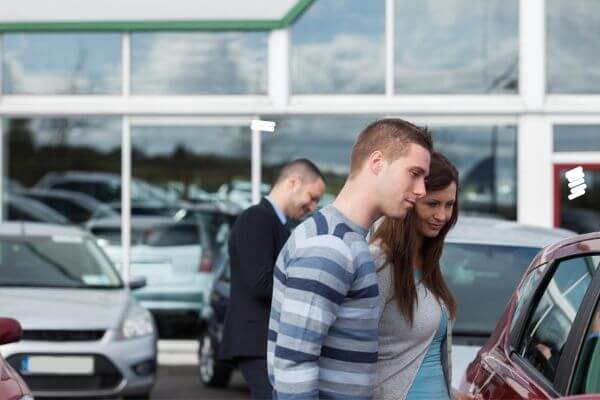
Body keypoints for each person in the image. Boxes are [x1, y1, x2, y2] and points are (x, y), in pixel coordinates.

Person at [268, 118, 433, 399]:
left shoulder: (346, 239)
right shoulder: (330, 245)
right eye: (413, 173)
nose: (421, 191)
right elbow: (294, 365)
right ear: (377, 162)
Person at [220, 158, 326, 399]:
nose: (312, 207)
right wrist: (310, 290)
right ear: (293, 182)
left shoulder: (275, 223)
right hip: (257, 340)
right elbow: (260, 283)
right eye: (312, 197)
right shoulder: (256, 218)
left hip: (264, 339)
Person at [370, 152, 459, 400]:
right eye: (432, 204)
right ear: (410, 201)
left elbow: (419, 356)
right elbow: (352, 354)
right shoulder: (379, 263)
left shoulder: (429, 264)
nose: (442, 215)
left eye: (449, 205)